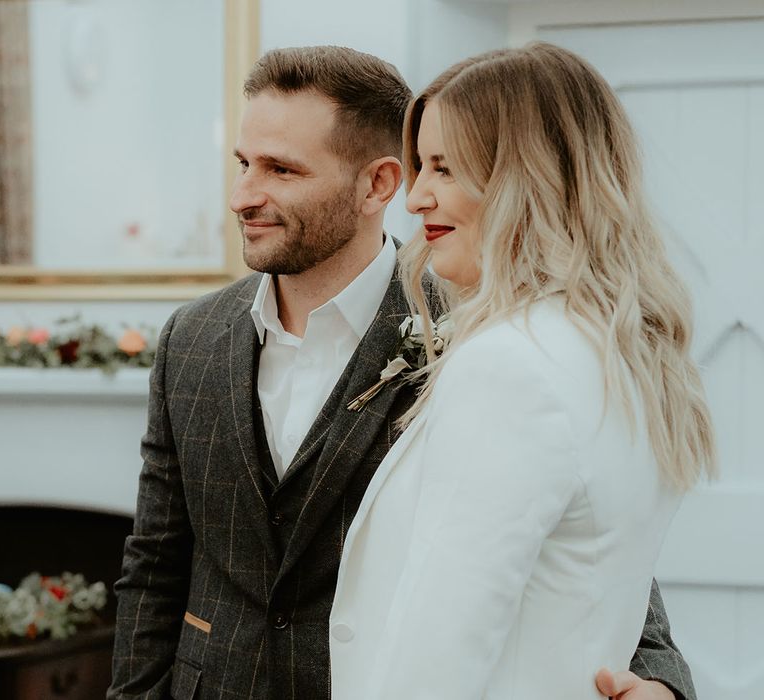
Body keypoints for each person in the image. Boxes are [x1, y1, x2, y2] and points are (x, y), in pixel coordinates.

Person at [108, 45, 699, 700]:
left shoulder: (487, 336)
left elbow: (584, 541)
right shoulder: (191, 340)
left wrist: (661, 683)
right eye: (244, 164)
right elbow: (155, 565)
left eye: (281, 169)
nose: (243, 196)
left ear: (377, 184)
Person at [330, 44, 715, 700]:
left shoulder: (512, 367)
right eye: (422, 165)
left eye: (444, 169)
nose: (417, 196)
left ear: (527, 179)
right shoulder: (619, 355)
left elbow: (440, 652)